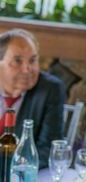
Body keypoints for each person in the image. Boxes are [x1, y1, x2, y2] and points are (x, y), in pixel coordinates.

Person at [0, 28, 65, 168]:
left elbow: (48, 148)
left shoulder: (50, 89)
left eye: (32, 60)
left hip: (19, 179)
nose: (26, 69)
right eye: (17, 61)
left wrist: (9, 172)